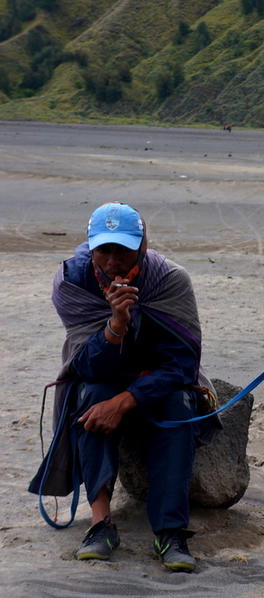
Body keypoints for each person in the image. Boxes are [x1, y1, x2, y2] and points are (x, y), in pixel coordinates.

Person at [29, 202, 217, 572]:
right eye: (104, 250)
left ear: (143, 246)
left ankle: (170, 531)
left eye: (123, 249)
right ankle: (101, 525)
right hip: (102, 378)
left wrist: (128, 399)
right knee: (90, 397)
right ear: (91, 247)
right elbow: (83, 364)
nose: (113, 260)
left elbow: (182, 362)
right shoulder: (72, 281)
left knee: (179, 403)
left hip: (157, 378)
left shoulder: (170, 280)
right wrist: (116, 323)